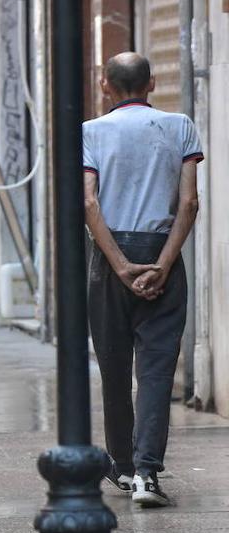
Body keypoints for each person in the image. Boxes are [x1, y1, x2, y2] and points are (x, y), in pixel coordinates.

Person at [83, 51, 203, 508]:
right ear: (151, 84)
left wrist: (119, 266)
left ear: (104, 85)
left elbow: (90, 206)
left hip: (110, 257)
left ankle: (123, 466)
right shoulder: (180, 126)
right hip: (163, 254)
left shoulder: (89, 132)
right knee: (155, 371)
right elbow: (189, 204)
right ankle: (147, 475)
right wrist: (164, 265)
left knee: (114, 369)